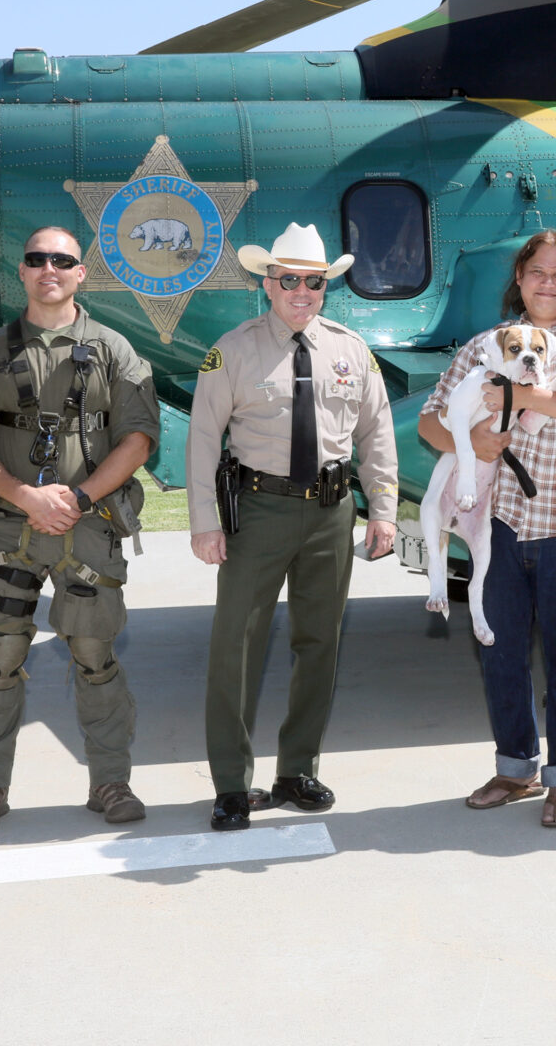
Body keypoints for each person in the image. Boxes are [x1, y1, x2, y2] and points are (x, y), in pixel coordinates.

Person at [418, 231, 556, 829]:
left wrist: (520, 393)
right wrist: (474, 439)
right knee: (499, 653)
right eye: (536, 272)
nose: (547, 282)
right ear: (519, 279)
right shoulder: (484, 345)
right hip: (497, 524)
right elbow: (431, 421)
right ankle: (516, 768)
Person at [0, 227, 160, 833]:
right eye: (37, 259)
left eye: (62, 260)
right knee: (0, 655)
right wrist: (25, 496)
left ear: (80, 272)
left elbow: (138, 439)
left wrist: (80, 497)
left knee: (94, 655)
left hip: (88, 527)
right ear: (22, 270)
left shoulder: (114, 349)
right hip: (8, 529)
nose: (49, 269)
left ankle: (110, 782)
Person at [188, 222, 398, 831]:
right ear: (267, 283)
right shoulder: (233, 349)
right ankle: (231, 784)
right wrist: (206, 522)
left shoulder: (350, 350)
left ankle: (296, 770)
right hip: (259, 511)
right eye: (289, 280)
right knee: (237, 646)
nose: (301, 291)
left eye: (313, 281)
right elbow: (203, 438)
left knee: (320, 644)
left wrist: (382, 508)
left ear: (325, 286)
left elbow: (376, 433)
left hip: (332, 512)